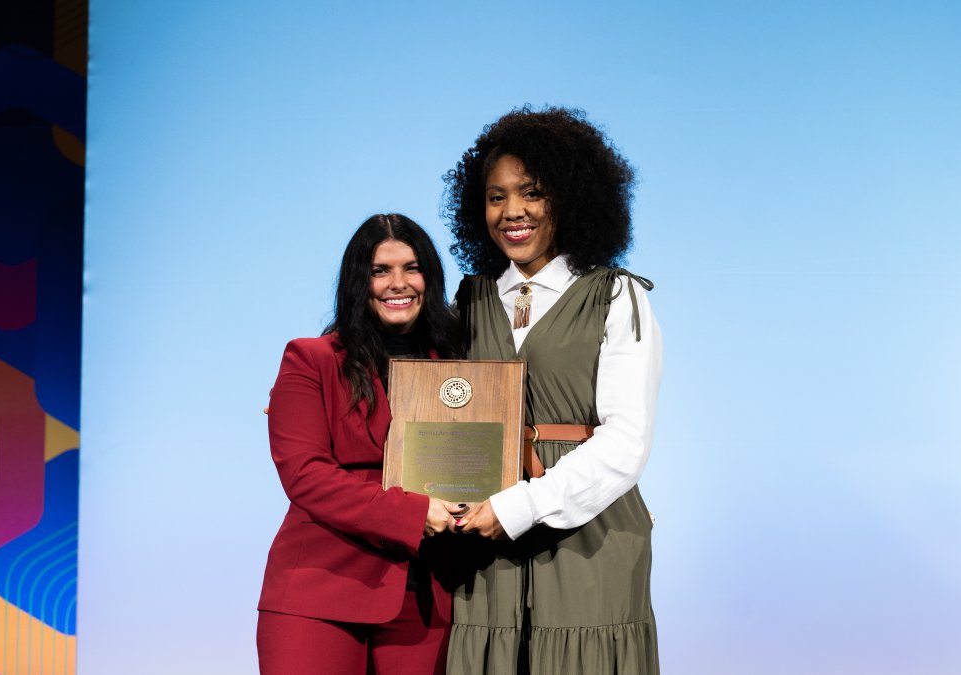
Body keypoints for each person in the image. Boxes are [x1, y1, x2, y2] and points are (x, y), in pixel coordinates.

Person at [445, 107, 664, 674]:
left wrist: (519, 506)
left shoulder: (616, 296)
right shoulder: (466, 303)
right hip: (482, 548)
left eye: (532, 193)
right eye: (496, 197)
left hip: (588, 538)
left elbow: (626, 443)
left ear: (569, 198)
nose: (512, 211)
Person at [257, 214, 466, 675]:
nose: (399, 283)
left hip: (428, 599)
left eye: (412, 268)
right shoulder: (310, 359)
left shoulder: (460, 367)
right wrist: (413, 513)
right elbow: (306, 476)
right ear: (359, 281)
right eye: (380, 271)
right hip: (319, 593)